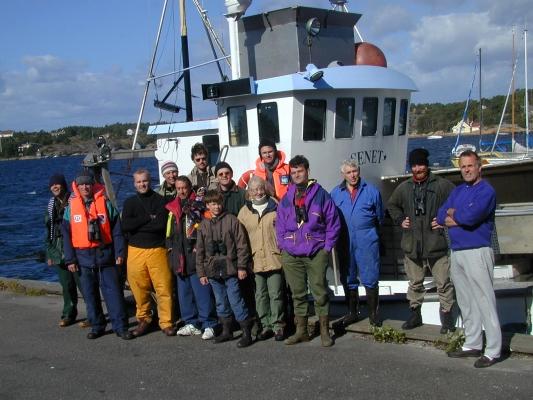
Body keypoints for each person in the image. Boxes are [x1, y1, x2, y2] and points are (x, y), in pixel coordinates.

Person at [437, 150, 501, 368]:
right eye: (463, 166)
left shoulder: (486, 191)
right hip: (457, 251)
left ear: (479, 167)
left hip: (478, 250)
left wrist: (454, 216)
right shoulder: (458, 191)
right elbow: (439, 215)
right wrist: (456, 215)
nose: (466, 170)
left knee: (484, 299)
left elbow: (471, 217)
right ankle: (472, 343)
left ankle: (493, 349)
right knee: (466, 301)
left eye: (470, 166)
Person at [387, 148, 456, 333]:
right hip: (412, 245)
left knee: (443, 283)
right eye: (415, 165)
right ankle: (415, 315)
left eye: (421, 164)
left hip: (436, 244)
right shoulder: (404, 187)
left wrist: (445, 221)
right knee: (415, 283)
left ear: (427, 165)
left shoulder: (442, 185)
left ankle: (447, 319)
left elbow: (457, 203)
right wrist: (401, 219)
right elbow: (392, 206)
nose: (418, 168)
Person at [276, 155, 341, 347]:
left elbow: (333, 223)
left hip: (315, 252)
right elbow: (279, 224)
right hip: (291, 253)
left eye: (300, 171)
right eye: (293, 172)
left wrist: (326, 248)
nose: (296, 175)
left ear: (307, 171)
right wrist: (283, 246)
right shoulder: (287, 197)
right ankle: (301, 331)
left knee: (319, 292)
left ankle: (324, 331)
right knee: (298, 293)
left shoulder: (321, 195)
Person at [61, 170, 133, 340]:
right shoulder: (70, 208)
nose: (85, 187)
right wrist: (70, 259)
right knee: (90, 295)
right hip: (83, 259)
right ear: (77, 187)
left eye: (88, 183)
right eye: (82, 184)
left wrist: (120, 253)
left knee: (114, 294)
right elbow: (66, 235)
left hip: (105, 256)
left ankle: (121, 327)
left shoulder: (106, 204)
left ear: (93, 185)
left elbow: (117, 231)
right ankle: (97, 325)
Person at [122, 169, 176, 337]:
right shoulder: (130, 202)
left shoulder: (160, 201)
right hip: (135, 250)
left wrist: (139, 224)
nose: (142, 184)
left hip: (157, 250)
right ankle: (144, 319)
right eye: (138, 182)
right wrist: (147, 218)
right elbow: (126, 226)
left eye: (144, 181)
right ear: (134, 183)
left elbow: (160, 225)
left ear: (149, 181)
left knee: (164, 287)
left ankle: (166, 322)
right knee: (138, 287)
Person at [330, 160, 384, 329]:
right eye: (349, 172)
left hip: (366, 238)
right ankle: (353, 312)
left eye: (355, 171)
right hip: (345, 240)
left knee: (370, 276)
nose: (353, 175)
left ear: (359, 171)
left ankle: (374, 316)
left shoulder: (372, 191)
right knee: (348, 276)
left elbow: (380, 216)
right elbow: (331, 218)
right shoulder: (335, 193)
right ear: (343, 174)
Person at [196, 190, 253, 348]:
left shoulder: (232, 221)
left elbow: (242, 246)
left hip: (230, 267)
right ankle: (226, 331)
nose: (216, 206)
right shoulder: (203, 225)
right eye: (213, 204)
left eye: (219, 203)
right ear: (207, 205)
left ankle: (246, 332)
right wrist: (201, 272)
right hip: (213, 269)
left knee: (236, 300)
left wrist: (242, 266)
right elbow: (200, 251)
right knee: (220, 302)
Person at [166, 176, 218, 340]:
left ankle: (209, 323)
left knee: (202, 292)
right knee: (184, 293)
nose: (181, 191)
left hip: (195, 254)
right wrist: (170, 250)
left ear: (190, 188)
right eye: (178, 188)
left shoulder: (198, 205)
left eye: (184, 188)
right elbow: (169, 232)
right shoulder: (172, 208)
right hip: (179, 255)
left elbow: (206, 227)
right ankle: (191, 322)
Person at [238, 176, 286, 341]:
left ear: (264, 189)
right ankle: (265, 326)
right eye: (254, 190)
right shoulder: (244, 212)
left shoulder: (276, 206)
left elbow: (284, 230)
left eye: (260, 188)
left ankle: (278, 326)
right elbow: (240, 238)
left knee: (276, 293)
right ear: (249, 192)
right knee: (260, 295)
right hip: (255, 259)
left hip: (274, 257)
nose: (258, 192)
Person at [45, 173, 86, 328]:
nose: (55, 187)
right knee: (67, 286)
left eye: (57, 184)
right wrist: (50, 253)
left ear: (63, 185)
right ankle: (68, 314)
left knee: (84, 285)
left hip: (76, 249)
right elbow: (47, 230)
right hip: (58, 251)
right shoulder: (50, 206)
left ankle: (94, 315)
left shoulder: (74, 201)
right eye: (52, 185)